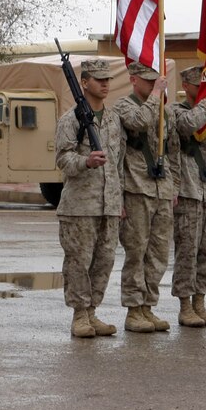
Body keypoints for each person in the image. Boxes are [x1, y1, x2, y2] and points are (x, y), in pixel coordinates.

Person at [54, 58, 126, 338]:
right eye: (99, 79)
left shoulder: (113, 119)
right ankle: (79, 315)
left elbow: (118, 162)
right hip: (79, 206)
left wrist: (119, 201)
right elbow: (62, 158)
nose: (105, 84)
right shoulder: (71, 119)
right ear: (84, 82)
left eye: (108, 79)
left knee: (104, 261)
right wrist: (86, 161)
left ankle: (92, 311)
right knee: (78, 263)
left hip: (108, 204)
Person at [115, 62, 189, 333]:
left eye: (155, 81)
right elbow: (139, 122)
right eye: (148, 82)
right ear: (133, 80)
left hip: (161, 190)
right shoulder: (124, 106)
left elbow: (173, 153)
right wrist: (157, 95)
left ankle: (148, 306)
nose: (154, 85)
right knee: (137, 251)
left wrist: (174, 188)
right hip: (136, 189)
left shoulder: (164, 113)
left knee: (158, 253)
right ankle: (134, 310)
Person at [169, 66, 206, 327]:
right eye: (198, 85)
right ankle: (184, 305)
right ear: (186, 86)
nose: (203, 90)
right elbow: (188, 126)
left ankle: (200, 301)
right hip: (189, 190)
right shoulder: (177, 112)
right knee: (187, 251)